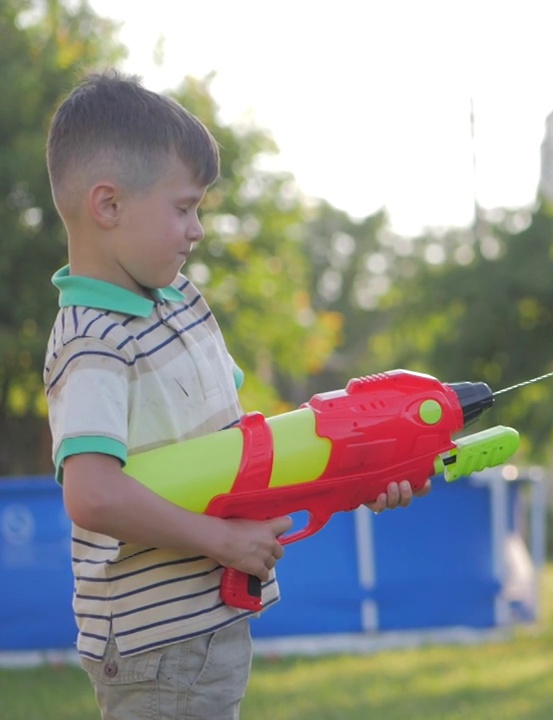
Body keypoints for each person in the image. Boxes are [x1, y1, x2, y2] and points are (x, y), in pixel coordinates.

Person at [42, 70, 428, 719]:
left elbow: (240, 454)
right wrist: (220, 542)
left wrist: (363, 471)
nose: (196, 231)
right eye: (184, 208)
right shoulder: (92, 340)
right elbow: (93, 493)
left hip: (210, 622)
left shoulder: (182, 301)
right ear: (108, 206)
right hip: (156, 648)